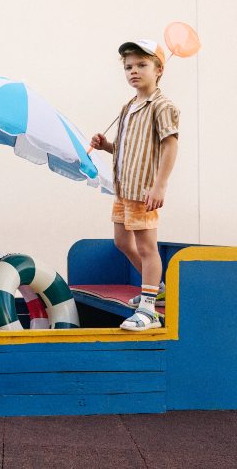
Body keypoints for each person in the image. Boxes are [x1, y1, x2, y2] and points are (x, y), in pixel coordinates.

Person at [90, 39, 179, 331]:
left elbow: (169, 146)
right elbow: (129, 148)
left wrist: (160, 185)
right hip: (123, 190)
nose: (134, 71)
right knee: (122, 242)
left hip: (143, 190)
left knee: (146, 246)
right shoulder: (129, 106)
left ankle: (149, 309)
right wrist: (106, 147)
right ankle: (158, 289)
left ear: (159, 70)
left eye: (142, 65)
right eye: (129, 67)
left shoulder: (163, 106)